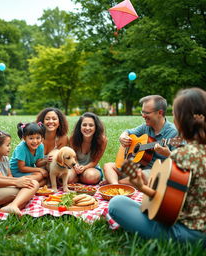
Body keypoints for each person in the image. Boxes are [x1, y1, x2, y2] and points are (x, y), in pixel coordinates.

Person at [109, 88, 206, 246]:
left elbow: (165, 203)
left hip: (186, 235)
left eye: (174, 114)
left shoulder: (182, 156)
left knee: (117, 204)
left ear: (180, 120)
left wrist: (142, 187)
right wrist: (141, 186)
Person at [103, 95, 178, 185]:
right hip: (137, 168)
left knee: (140, 176)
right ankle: (116, 185)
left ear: (160, 113)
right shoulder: (145, 126)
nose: (143, 115)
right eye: (142, 111)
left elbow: (179, 163)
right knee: (108, 166)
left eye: (146, 112)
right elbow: (128, 131)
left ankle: (115, 183)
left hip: (153, 172)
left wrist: (168, 154)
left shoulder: (173, 133)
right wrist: (123, 136)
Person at [68, 112, 107, 184]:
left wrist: (84, 168)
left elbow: (95, 162)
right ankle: (78, 179)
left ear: (96, 127)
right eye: (84, 125)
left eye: (91, 125)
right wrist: (76, 165)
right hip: (74, 166)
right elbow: (73, 157)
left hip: (91, 168)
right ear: (80, 126)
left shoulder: (102, 140)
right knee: (68, 177)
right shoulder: (73, 138)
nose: (87, 128)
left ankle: (78, 179)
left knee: (91, 177)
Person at [9, 122, 48, 186]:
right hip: (17, 172)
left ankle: (33, 186)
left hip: (28, 171)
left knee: (46, 178)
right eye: (31, 138)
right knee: (40, 175)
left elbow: (38, 163)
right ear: (24, 138)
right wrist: (40, 170)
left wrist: (46, 160)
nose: (35, 141)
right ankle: (22, 183)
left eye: (38, 138)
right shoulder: (21, 148)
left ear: (42, 137)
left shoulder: (40, 146)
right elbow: (22, 168)